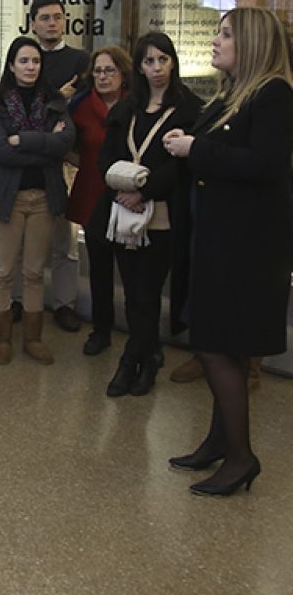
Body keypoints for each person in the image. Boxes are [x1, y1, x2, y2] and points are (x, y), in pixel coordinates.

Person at [164, 7, 293, 496]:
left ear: (252, 43)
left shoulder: (274, 94)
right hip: (220, 238)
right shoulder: (232, 93)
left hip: (247, 247)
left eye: (224, 34)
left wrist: (194, 149)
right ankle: (219, 441)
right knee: (223, 345)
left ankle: (241, 457)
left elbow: (264, 165)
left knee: (217, 346)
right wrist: (187, 142)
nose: (215, 41)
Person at [91, 34, 201, 398]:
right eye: (149, 61)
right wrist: (121, 192)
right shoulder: (127, 109)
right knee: (132, 293)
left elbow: (181, 168)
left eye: (163, 60)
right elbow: (106, 159)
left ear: (173, 62)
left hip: (163, 216)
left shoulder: (188, 109)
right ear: (138, 66)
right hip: (124, 214)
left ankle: (131, 361)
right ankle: (148, 355)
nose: (156, 68)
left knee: (147, 293)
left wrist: (144, 190)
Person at [0, 36, 75, 364]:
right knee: (2, 271)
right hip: (7, 198)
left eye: (35, 61)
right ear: (11, 65)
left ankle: (33, 338)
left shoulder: (54, 101)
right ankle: (1, 338)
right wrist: (45, 145)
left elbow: (65, 142)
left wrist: (22, 139)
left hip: (44, 197)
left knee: (34, 272)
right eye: (23, 61)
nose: (30, 67)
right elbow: (1, 152)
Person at [17, 0, 91, 332]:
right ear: (33, 23)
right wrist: (58, 98)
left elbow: (79, 110)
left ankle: (64, 304)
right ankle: (17, 301)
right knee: (23, 239)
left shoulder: (80, 60)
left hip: (66, 159)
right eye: (45, 18)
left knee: (66, 240)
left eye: (57, 17)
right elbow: (19, 109)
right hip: (29, 159)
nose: (52, 23)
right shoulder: (25, 56)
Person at [64, 46, 132, 356]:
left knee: (132, 274)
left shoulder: (136, 104)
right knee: (100, 270)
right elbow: (66, 142)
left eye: (110, 70)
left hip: (130, 198)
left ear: (123, 74)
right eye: (98, 71)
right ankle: (101, 330)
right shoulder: (81, 105)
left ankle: (140, 337)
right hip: (93, 193)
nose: (103, 76)